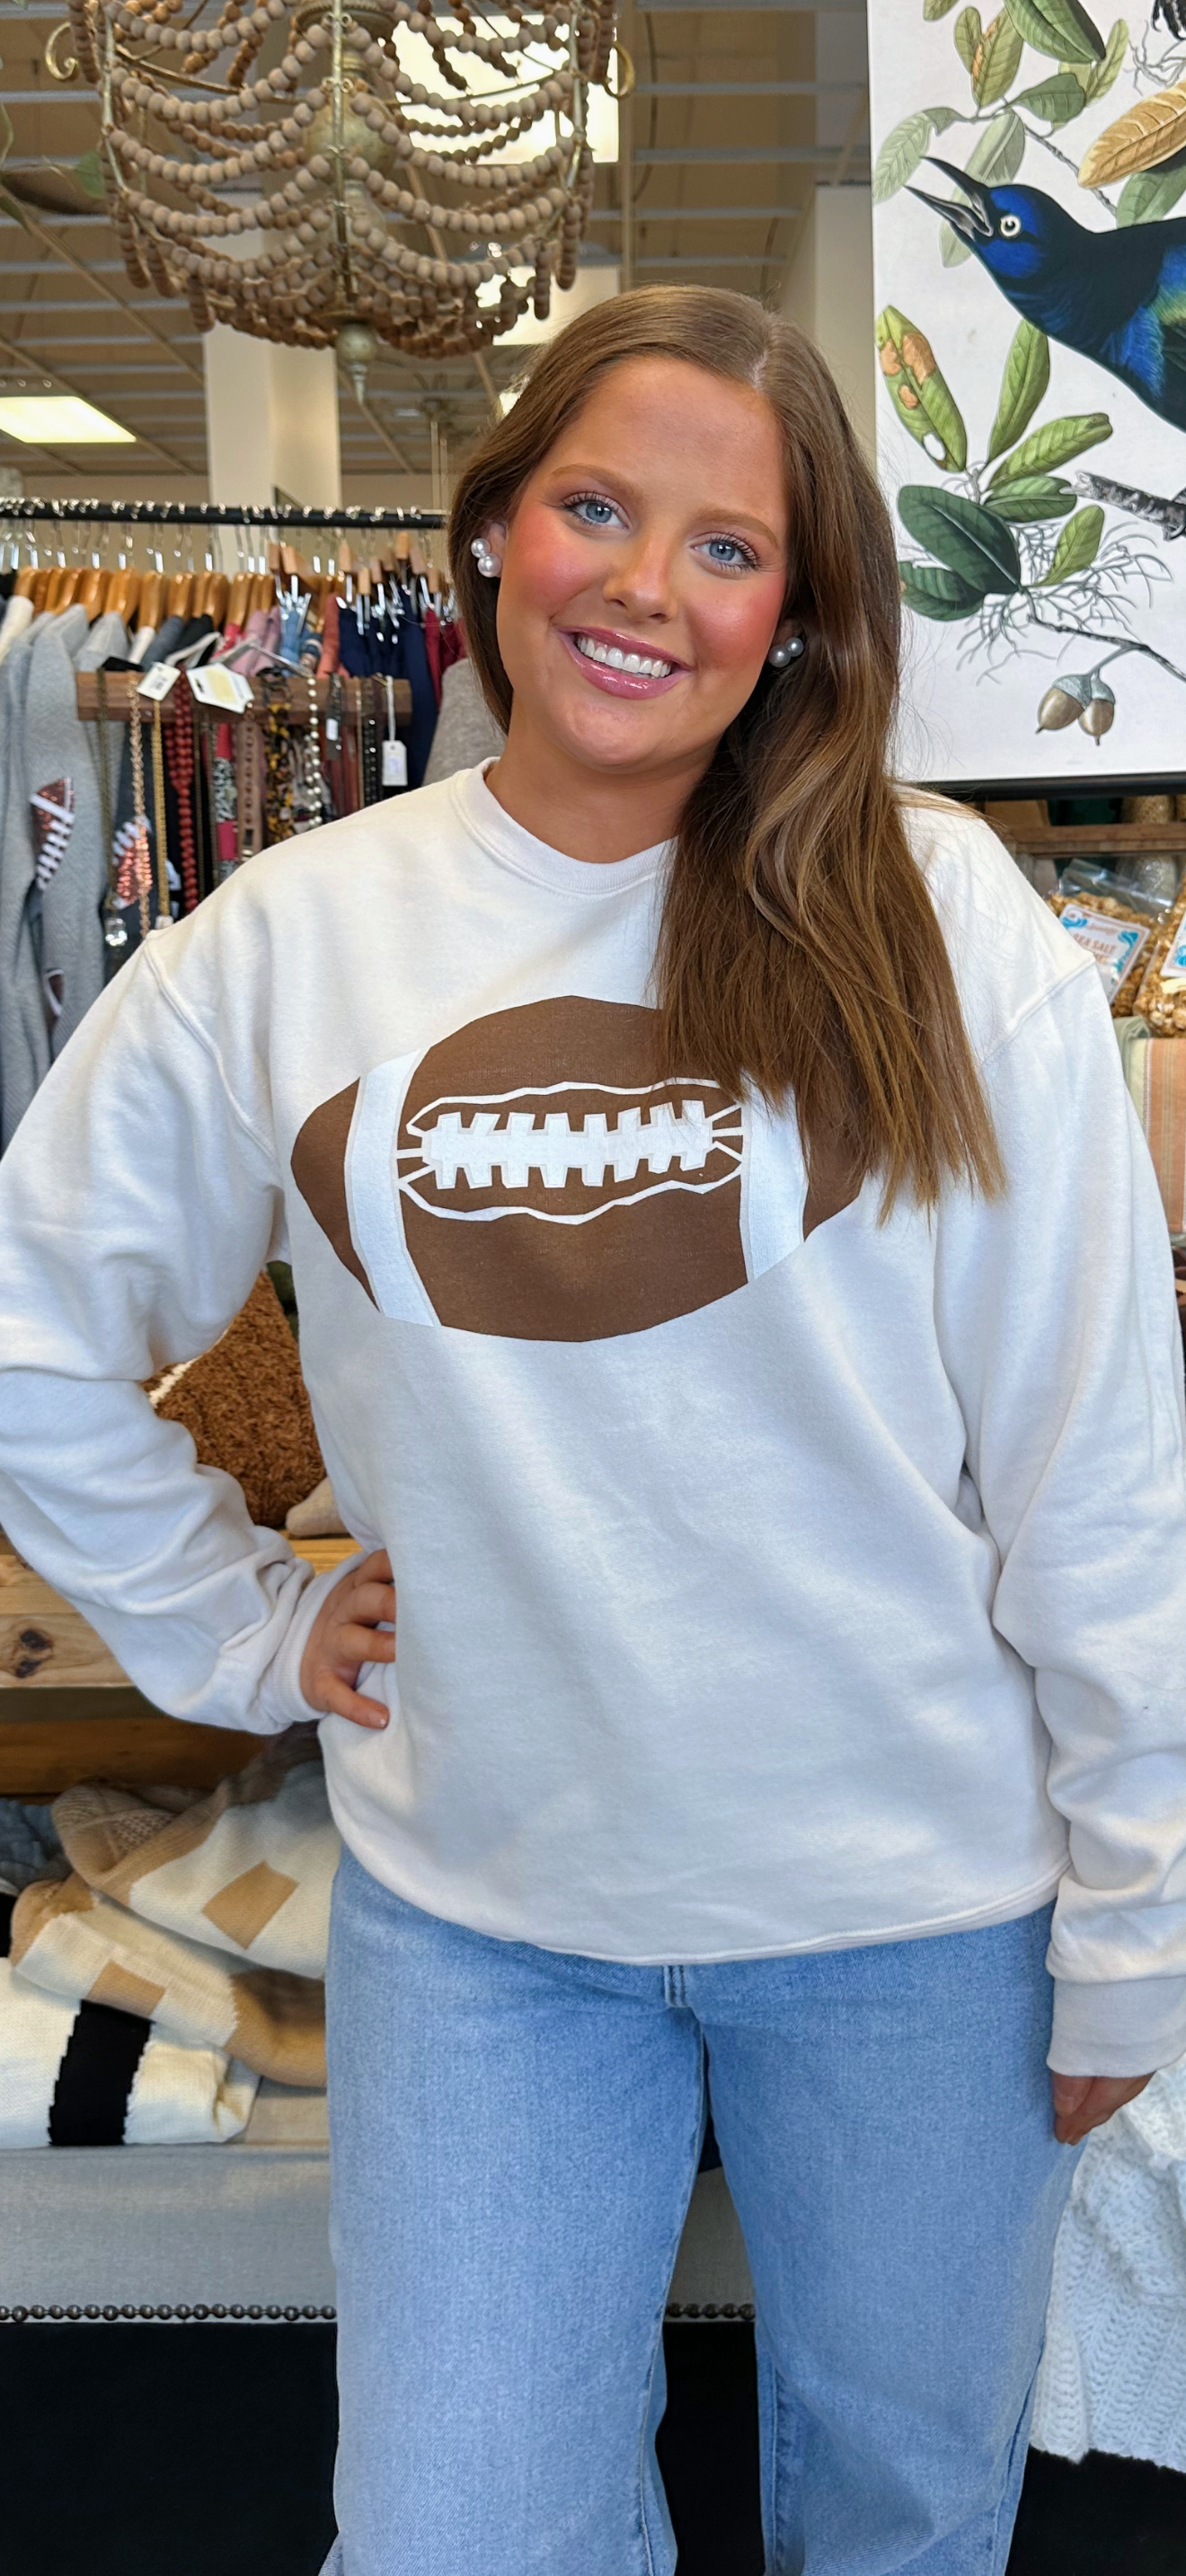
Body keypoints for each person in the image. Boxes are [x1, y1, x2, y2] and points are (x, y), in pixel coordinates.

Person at [0, 288, 1183, 2576]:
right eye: (597, 509)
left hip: (919, 1910)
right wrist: (238, 1627)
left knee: (905, 2518)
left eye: (730, 548)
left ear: (801, 615)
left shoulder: (944, 921)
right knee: (458, 2534)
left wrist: (1140, 1918)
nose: (648, 586)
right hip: (488, 1913)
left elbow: (1099, 1463)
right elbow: (31, 1323)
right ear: (494, 533)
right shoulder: (294, 939)